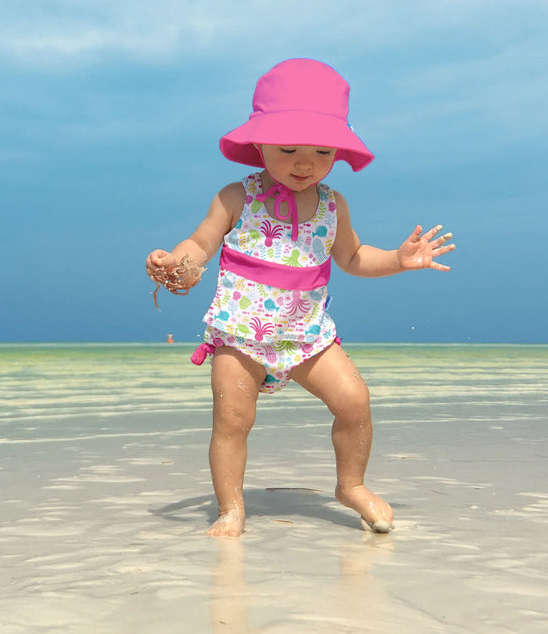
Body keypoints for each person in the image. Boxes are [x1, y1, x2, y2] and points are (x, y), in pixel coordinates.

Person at [146, 58, 455, 538]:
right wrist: (179, 265)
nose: (304, 162)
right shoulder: (236, 198)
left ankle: (350, 485)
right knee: (232, 418)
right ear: (260, 143)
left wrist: (397, 259)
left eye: (321, 151)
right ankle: (231, 507)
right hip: (241, 332)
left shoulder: (333, 205)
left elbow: (352, 258)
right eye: (288, 148)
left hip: (306, 333)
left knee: (354, 402)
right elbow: (202, 244)